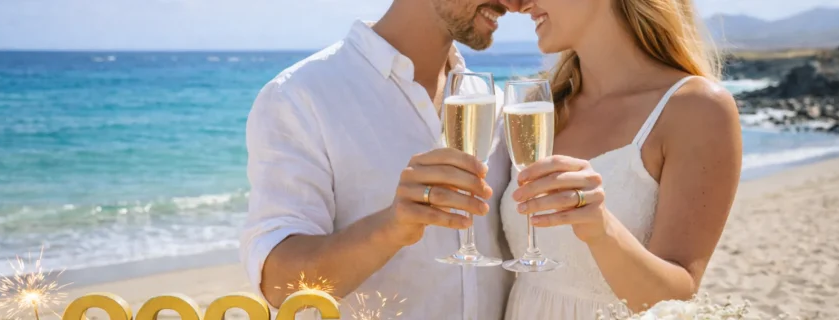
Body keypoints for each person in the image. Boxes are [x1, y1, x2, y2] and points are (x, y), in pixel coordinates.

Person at [240, 0, 525, 318]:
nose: (514, 4)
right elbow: (280, 285)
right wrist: (389, 228)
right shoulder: (299, 96)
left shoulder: (493, 103)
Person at [497, 0, 743, 319]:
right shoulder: (542, 107)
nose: (518, 5)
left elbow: (678, 299)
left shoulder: (697, 108)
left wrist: (602, 229)